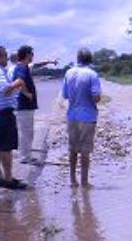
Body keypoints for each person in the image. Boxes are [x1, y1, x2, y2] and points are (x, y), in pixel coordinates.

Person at [0, 46, 31, 189]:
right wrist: (18, 82)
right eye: (5, 56)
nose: (7, 58)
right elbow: (4, 90)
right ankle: (8, 179)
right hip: (2, 114)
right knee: (5, 148)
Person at [62, 48, 101, 188]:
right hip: (88, 116)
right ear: (90, 59)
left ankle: (73, 180)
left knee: (73, 149)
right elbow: (96, 97)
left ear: (78, 59)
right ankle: (84, 181)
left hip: (72, 115)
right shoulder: (92, 74)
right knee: (85, 150)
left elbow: (65, 95)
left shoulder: (68, 73)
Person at [12, 45, 56, 164]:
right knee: (26, 132)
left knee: (26, 131)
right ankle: (25, 157)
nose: (33, 56)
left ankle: (25, 155)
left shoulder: (23, 66)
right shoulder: (22, 67)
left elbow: (35, 66)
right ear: (27, 54)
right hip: (24, 106)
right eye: (32, 54)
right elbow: (20, 81)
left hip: (23, 106)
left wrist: (49, 61)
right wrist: (27, 94)